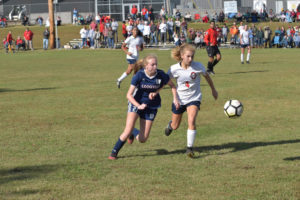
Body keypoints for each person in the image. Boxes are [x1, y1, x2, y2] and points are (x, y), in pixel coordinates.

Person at [108, 54, 178, 160]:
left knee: (143, 139)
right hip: (136, 103)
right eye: (152, 64)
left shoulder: (161, 74)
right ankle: (114, 153)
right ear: (146, 66)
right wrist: (138, 105)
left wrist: (174, 99)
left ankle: (133, 132)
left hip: (151, 106)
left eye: (156, 64)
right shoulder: (139, 75)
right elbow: (129, 95)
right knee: (127, 129)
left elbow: (172, 85)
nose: (155, 66)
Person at [164, 44, 218, 158]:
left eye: (192, 56)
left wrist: (213, 90)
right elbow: (165, 80)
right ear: (182, 56)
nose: (191, 59)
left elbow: (207, 77)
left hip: (194, 98)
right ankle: (170, 126)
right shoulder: (174, 69)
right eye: (188, 56)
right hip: (179, 100)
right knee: (175, 126)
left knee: (191, 120)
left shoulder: (198, 66)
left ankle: (189, 148)